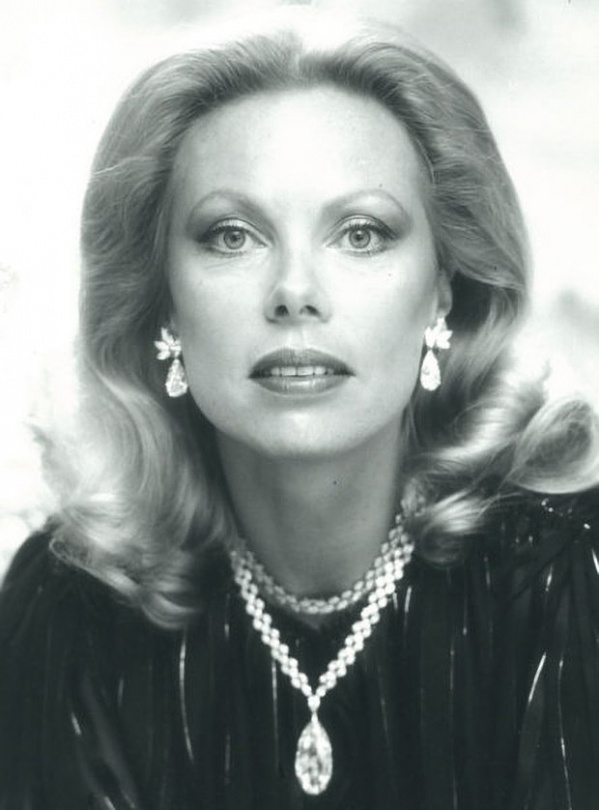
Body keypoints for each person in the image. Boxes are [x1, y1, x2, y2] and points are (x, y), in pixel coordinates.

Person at [1, 8, 598, 809]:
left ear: (444, 290)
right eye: (231, 235)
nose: (293, 293)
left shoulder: (567, 573)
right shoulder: (71, 608)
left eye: (360, 233)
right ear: (162, 300)